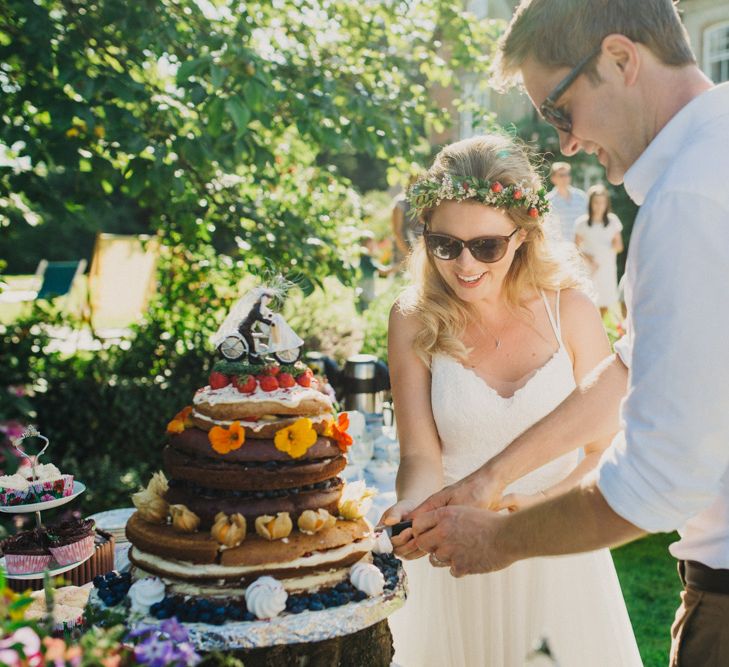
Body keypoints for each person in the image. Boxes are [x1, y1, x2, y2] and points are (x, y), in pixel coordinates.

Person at [410, 2, 729, 665]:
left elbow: (655, 481)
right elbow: (632, 367)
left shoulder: (685, 200)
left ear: (619, 58)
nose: (564, 143)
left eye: (559, 110)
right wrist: (487, 479)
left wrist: (498, 540)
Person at [381, 133, 641, 666]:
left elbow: (602, 447)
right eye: (444, 244)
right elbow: (421, 456)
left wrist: (537, 511)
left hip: (558, 550)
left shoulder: (568, 309)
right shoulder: (412, 318)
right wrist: (415, 509)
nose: (464, 264)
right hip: (453, 557)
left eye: (487, 246)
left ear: (522, 235)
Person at [574, 184, 624, 315]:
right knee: (589, 298)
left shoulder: (613, 222)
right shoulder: (582, 223)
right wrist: (588, 258)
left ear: (606, 203)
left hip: (607, 266)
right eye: (596, 202)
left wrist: (614, 245)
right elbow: (575, 248)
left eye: (602, 202)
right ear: (590, 203)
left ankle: (601, 327)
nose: (599, 205)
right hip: (590, 267)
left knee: (605, 299)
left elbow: (619, 247)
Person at [545, 161, 587, 242]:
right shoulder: (548, 200)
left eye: (567, 175)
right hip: (560, 249)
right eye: (561, 175)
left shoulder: (581, 197)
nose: (565, 178)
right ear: (553, 178)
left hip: (581, 248)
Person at [391, 174, 421, 266]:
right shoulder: (401, 202)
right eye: (416, 180)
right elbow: (397, 232)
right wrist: (410, 256)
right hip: (405, 252)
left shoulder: (424, 201)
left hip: (421, 252)